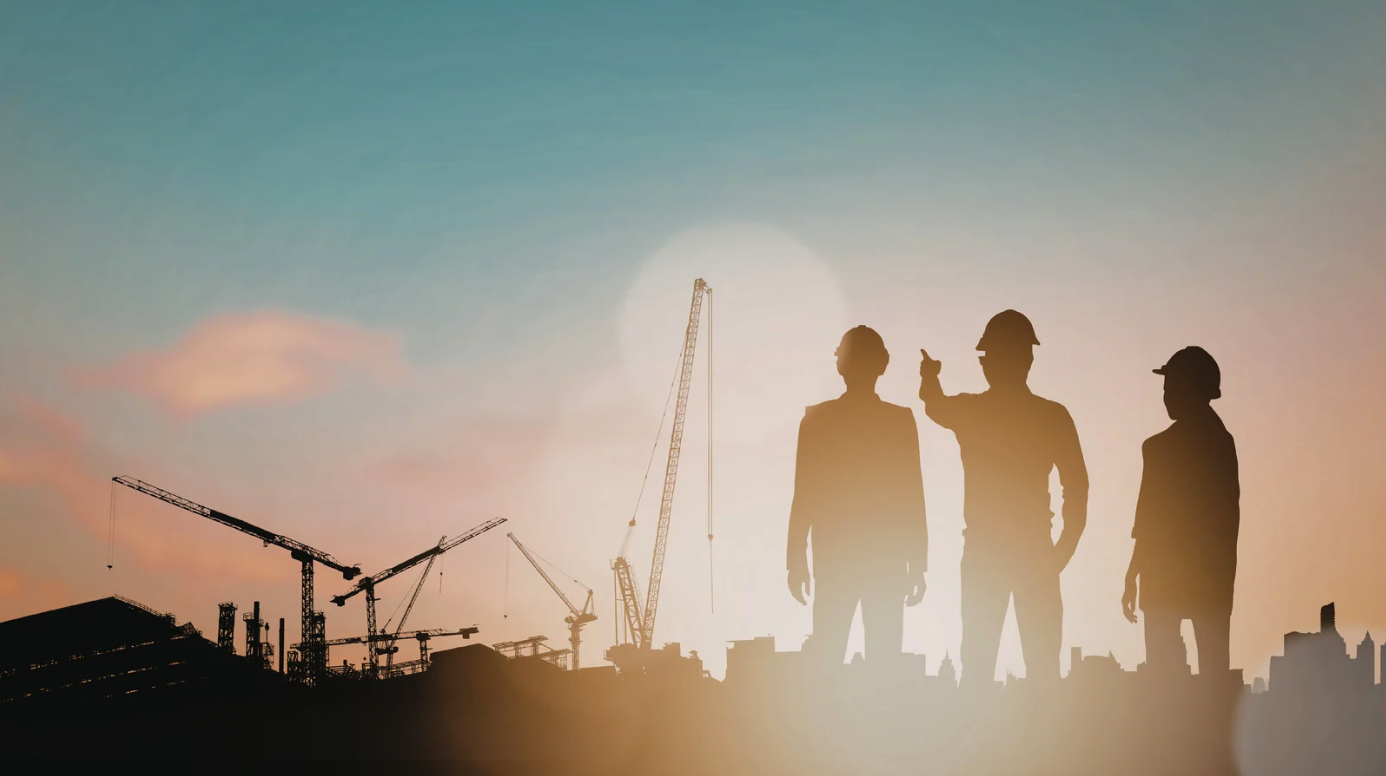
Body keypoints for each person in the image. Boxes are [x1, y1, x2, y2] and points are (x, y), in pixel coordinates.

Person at [918, 310, 1088, 687]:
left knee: (978, 666)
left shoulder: (973, 411)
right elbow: (1078, 488)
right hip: (1030, 555)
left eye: (987, 357)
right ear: (1028, 359)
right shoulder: (1051, 416)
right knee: (1040, 669)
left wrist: (930, 377)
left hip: (990, 555)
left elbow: (934, 404)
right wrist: (1060, 552)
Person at [787, 325, 929, 667]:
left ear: (840, 365)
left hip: (837, 557)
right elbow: (913, 496)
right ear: (882, 365)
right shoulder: (899, 420)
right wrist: (917, 564)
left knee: (828, 659)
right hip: (885, 559)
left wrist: (795, 561)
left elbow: (803, 494)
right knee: (883, 661)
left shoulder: (817, 420)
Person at [1122, 346, 1240, 676]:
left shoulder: (1159, 449)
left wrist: (1134, 573)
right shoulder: (1220, 443)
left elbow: (1149, 521)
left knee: (1167, 674)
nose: (1165, 396)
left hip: (1172, 577)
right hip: (1208, 579)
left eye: (1170, 388)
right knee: (1208, 673)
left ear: (1191, 389)